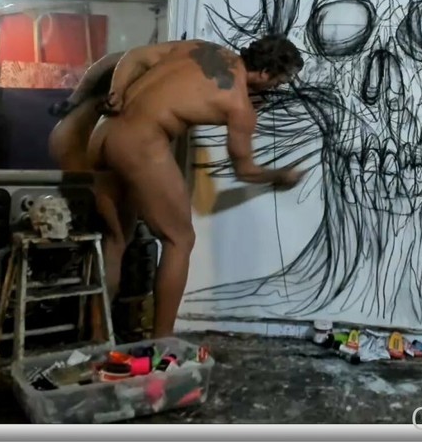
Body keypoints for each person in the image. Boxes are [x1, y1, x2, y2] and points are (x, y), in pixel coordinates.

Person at [81, 35, 307, 339]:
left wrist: (117, 91)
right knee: (180, 240)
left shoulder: (201, 48)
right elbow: (245, 171)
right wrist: (280, 176)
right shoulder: (239, 105)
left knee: (116, 239)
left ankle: (96, 338)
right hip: (138, 145)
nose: (277, 88)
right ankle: (162, 342)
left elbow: (134, 56)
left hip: (103, 134)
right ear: (265, 73)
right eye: (279, 81)